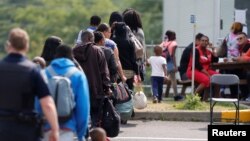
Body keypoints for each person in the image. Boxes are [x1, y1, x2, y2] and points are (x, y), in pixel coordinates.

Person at [0, 27, 59, 141]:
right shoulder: (32, 70)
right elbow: (47, 103)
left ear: (8, 45)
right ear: (26, 46)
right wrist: (55, 129)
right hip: (26, 129)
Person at [37, 44, 90, 141]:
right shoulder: (78, 75)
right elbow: (83, 107)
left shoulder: (44, 73)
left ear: (56, 55)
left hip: (46, 126)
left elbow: (37, 103)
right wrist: (81, 134)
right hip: (67, 127)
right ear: (72, 57)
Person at [73, 30, 112, 128]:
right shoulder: (97, 50)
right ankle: (94, 133)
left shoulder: (73, 52)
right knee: (95, 116)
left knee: (82, 114)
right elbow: (104, 71)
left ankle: (84, 134)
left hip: (78, 89)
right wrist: (107, 87)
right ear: (90, 39)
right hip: (96, 89)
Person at [186, 35, 219, 100]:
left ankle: (217, 98)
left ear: (208, 42)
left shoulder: (208, 51)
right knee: (206, 80)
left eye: (206, 41)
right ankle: (193, 99)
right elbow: (196, 64)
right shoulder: (196, 50)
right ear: (200, 42)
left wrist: (213, 49)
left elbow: (215, 60)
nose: (204, 42)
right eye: (202, 40)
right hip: (194, 70)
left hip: (206, 70)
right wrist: (207, 74)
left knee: (218, 77)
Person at [123, 9, 146, 81]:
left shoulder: (124, 31)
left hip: (126, 63)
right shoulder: (139, 32)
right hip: (137, 64)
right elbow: (142, 49)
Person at [160, 30, 182, 101]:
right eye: (174, 35)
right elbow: (173, 56)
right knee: (172, 79)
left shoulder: (163, 43)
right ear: (171, 36)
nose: (175, 36)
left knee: (163, 78)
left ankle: (157, 94)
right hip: (169, 63)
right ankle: (176, 95)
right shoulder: (174, 44)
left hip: (161, 62)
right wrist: (175, 66)